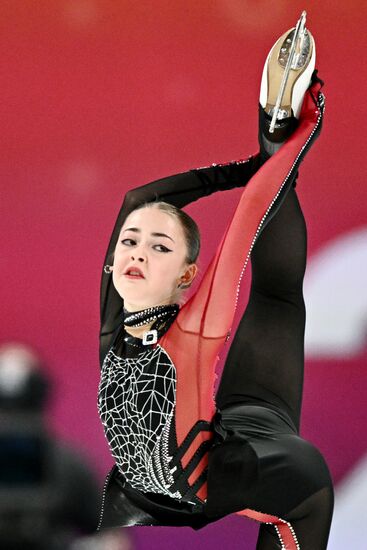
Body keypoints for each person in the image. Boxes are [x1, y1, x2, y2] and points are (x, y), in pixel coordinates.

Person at [97, 14, 333, 550]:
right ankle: (273, 139)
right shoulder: (161, 319)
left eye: (159, 247)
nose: (135, 252)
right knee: (311, 485)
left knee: (271, 336)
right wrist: (290, 138)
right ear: (112, 262)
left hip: (169, 476)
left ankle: (273, 144)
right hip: (201, 482)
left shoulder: (131, 323)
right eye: (129, 243)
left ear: (186, 276)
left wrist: (272, 155)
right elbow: (142, 201)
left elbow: (246, 209)